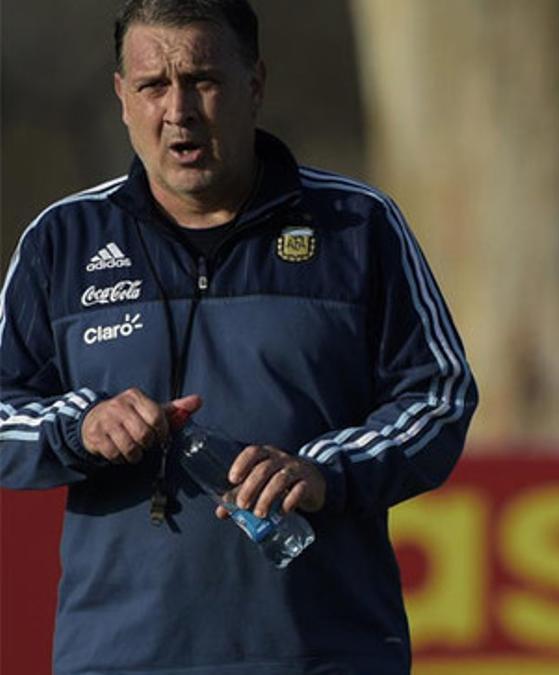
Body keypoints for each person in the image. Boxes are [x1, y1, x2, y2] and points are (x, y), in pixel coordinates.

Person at [0, 0, 477, 672]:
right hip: (121, 655)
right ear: (121, 97)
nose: (179, 110)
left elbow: (439, 397)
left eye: (202, 80)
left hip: (324, 652)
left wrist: (323, 469)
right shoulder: (63, 241)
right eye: (152, 86)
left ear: (254, 83)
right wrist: (79, 427)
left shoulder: (356, 225)